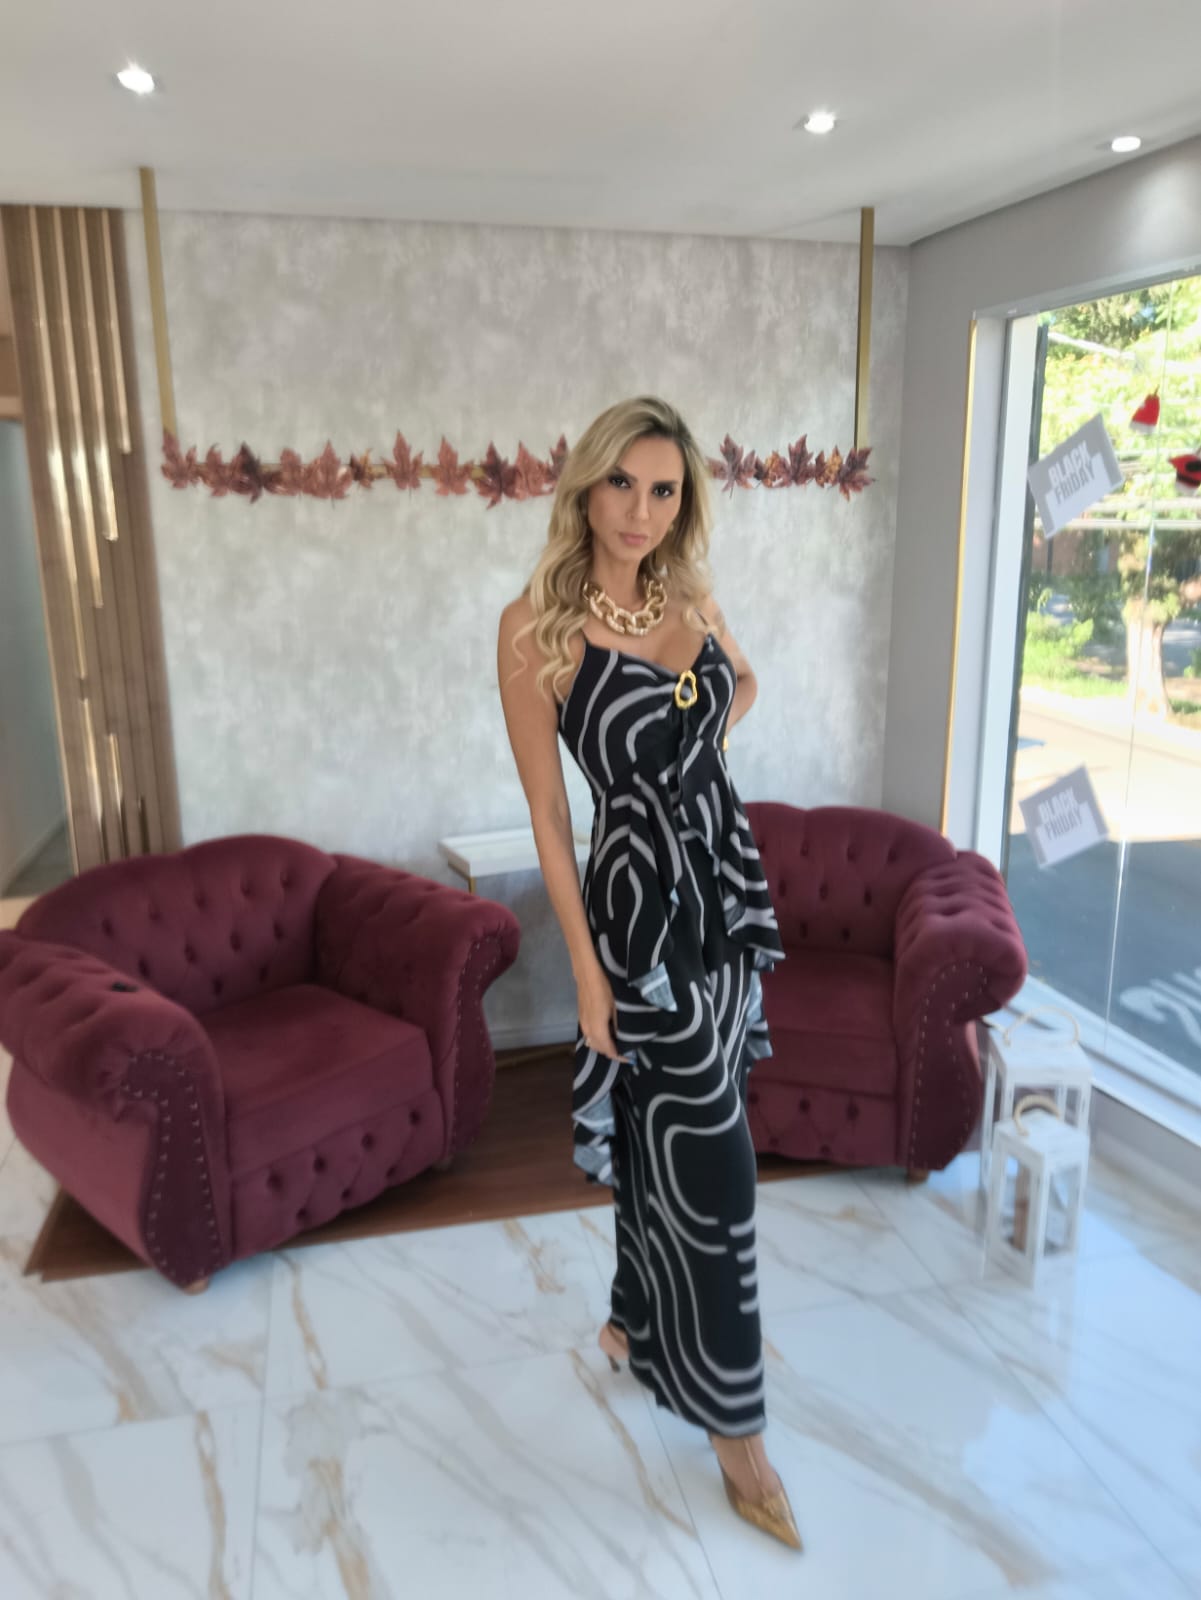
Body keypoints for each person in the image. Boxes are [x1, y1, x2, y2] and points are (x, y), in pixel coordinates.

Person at [496, 395, 800, 1550]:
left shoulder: (691, 595)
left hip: (724, 885)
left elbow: (742, 685)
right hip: (636, 916)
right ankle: (736, 1429)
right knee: (718, 1165)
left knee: (664, 1123)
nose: (640, 510)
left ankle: (632, 1319)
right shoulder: (535, 627)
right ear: (586, 485)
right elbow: (547, 814)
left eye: (664, 489)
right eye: (622, 482)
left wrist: (693, 760)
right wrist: (583, 972)